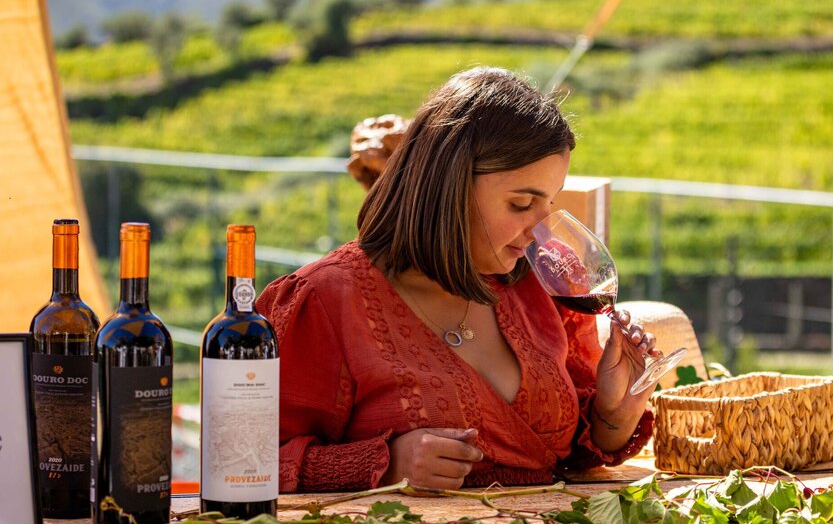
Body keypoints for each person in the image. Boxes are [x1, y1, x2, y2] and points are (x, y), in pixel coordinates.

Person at [256, 66, 657, 492]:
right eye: (522, 204)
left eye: (550, 204)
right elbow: (246, 459)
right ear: (447, 188)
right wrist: (385, 465)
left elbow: (564, 455)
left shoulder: (541, 284)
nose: (540, 230)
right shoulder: (324, 301)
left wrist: (614, 414)